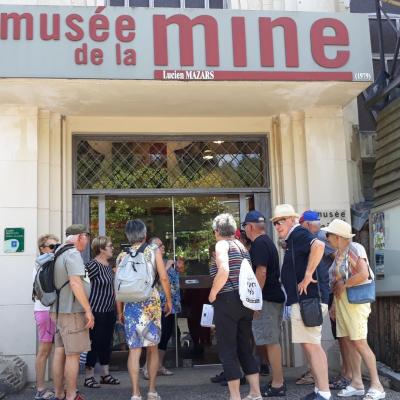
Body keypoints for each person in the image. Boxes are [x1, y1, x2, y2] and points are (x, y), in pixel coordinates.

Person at [272, 204, 331, 400]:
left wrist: (307, 275)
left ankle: (323, 392)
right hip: (304, 300)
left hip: (309, 299)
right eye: (274, 223)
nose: (277, 225)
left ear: (291, 220)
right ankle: (320, 390)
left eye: (280, 221)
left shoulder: (298, 233)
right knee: (310, 345)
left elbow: (319, 245)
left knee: (312, 345)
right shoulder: (293, 238)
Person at [323, 219, 385, 400]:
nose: (327, 238)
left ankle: (377, 385)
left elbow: (363, 274)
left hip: (355, 302)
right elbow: (337, 284)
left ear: (338, 237)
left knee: (359, 342)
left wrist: (344, 284)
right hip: (343, 303)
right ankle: (357, 382)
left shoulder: (354, 248)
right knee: (350, 342)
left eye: (329, 235)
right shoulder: (340, 252)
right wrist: (335, 304)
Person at [116, 220, 172, 400]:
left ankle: (135, 393)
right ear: (145, 234)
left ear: (127, 235)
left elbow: (117, 286)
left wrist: (119, 311)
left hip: (130, 305)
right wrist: (169, 300)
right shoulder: (153, 250)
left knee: (134, 350)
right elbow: (163, 277)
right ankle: (152, 390)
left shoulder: (121, 256)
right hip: (150, 303)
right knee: (152, 348)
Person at [209, 213, 262, 400]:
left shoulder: (222, 245)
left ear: (217, 231)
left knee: (228, 348)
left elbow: (224, 270)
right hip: (244, 301)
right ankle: (255, 392)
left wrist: (213, 292)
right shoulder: (241, 246)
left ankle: (235, 396)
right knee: (244, 347)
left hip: (227, 299)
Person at [242, 210, 286, 397]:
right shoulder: (266, 241)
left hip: (267, 299)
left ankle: (278, 384)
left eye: (245, 227)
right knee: (269, 340)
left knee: (270, 341)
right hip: (271, 297)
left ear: (251, 227)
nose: (244, 231)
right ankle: (276, 381)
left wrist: (255, 301)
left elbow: (261, 272)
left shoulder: (259, 243)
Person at [296, 211, 341, 388]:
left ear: (306, 224)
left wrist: (333, 279)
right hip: (323, 291)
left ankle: (321, 376)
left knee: (316, 335)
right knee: (314, 335)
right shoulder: (314, 236)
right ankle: (315, 373)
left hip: (326, 291)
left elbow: (336, 258)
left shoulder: (320, 237)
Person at [51, 224, 94, 400]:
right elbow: (76, 283)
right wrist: (88, 310)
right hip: (72, 312)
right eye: (86, 238)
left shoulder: (58, 252)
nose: (87, 242)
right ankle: (71, 395)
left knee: (60, 352)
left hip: (59, 311)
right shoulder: (73, 254)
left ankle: (59, 393)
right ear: (79, 237)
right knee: (73, 355)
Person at [142, 237, 181, 379]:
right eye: (159, 245)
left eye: (163, 245)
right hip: (157, 305)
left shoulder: (166, 262)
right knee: (154, 338)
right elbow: (154, 280)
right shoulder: (150, 263)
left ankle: (159, 365)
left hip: (170, 305)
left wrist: (178, 268)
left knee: (165, 336)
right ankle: (147, 367)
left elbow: (173, 281)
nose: (163, 247)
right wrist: (166, 267)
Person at [84, 236, 119, 388]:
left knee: (107, 343)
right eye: (110, 246)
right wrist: (86, 310)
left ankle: (105, 374)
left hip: (109, 311)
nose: (112, 248)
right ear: (101, 249)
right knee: (94, 343)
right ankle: (88, 376)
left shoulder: (108, 265)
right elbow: (82, 286)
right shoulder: (92, 265)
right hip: (96, 311)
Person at [33, 234, 59, 400]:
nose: (54, 249)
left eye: (56, 246)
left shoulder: (43, 263)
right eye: (51, 246)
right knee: (45, 350)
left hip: (47, 310)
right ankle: (41, 389)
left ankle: (56, 387)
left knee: (56, 350)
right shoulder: (43, 263)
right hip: (46, 310)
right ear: (42, 248)